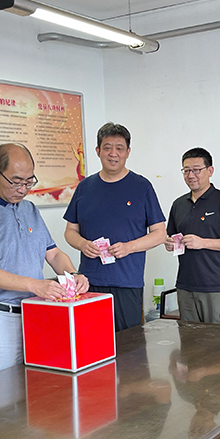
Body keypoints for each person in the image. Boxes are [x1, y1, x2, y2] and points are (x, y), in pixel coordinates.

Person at [0, 143, 88, 376]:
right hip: (0, 319)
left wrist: (74, 275)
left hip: (36, 314)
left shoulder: (30, 210)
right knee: (1, 392)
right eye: (16, 182)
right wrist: (35, 285)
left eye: (29, 182)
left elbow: (53, 254)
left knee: (40, 384)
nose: (23, 189)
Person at [64, 123, 166, 332]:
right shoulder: (85, 187)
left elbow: (159, 233)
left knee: (129, 345)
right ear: (98, 151)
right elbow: (70, 231)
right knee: (92, 342)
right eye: (107, 147)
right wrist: (82, 244)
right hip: (89, 282)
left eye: (119, 148)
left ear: (128, 152)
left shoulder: (142, 186)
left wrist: (129, 247)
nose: (113, 153)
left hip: (127, 282)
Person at [164, 147, 220, 323]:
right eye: (186, 170)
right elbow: (171, 237)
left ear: (210, 171)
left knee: (217, 339)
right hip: (185, 285)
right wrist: (169, 243)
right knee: (188, 338)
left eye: (196, 170)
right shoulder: (178, 204)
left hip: (215, 287)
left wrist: (203, 243)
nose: (190, 175)